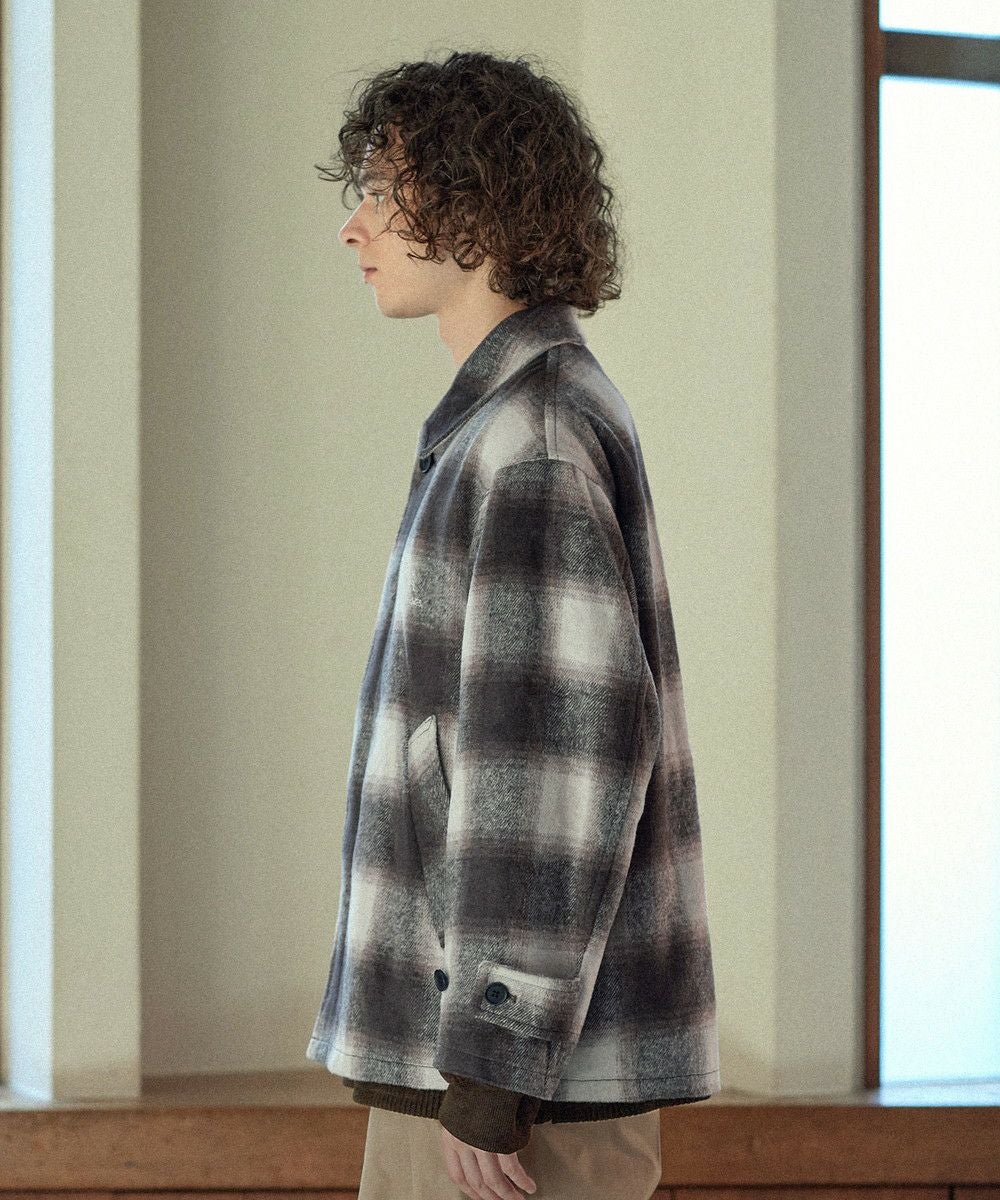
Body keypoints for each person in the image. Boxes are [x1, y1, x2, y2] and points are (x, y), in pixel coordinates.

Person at [305, 48, 721, 1200]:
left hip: (512, 1098)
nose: (354, 226)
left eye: (383, 191)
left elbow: (555, 770)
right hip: (491, 1073)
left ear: (476, 203)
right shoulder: (509, 423)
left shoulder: (527, 440)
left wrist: (491, 1070)